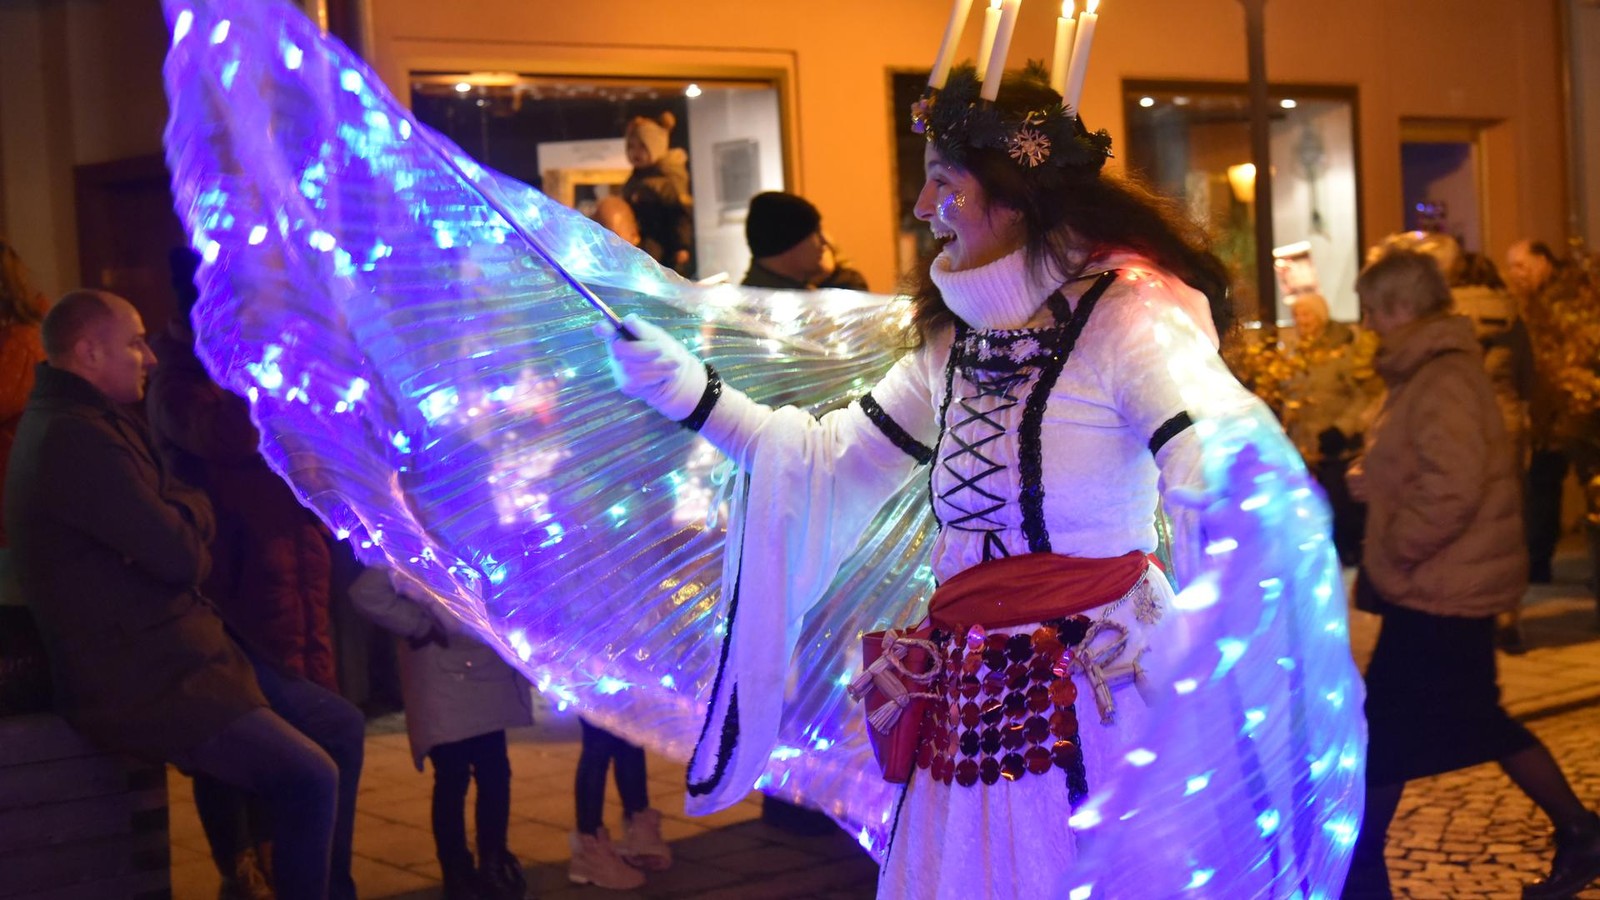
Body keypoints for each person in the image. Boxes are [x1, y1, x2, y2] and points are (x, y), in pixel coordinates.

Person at [597, 62, 1265, 897]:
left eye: (943, 185)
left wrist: (1223, 517)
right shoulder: (955, 342)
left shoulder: (1127, 318)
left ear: (1013, 198)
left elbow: (1208, 454)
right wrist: (683, 389)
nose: (922, 211)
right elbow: (828, 458)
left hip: (1101, 695)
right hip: (966, 695)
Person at [4, 289, 365, 900]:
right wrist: (188, 513)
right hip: (150, 672)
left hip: (192, 645)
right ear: (90, 352)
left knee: (341, 725)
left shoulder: (98, 422)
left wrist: (183, 511)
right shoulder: (75, 438)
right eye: (133, 342)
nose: (146, 356)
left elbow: (180, 512)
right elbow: (181, 553)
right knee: (311, 777)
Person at [1341, 250, 1600, 899]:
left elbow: (1453, 487)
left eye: (1373, 309)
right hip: (1439, 584)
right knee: (1444, 722)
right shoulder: (1425, 372)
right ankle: (1579, 831)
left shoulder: (1443, 376)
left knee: (1406, 728)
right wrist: (1376, 478)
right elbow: (1432, 466)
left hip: (1440, 585)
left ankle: (1362, 872)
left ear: (1401, 307)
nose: (1367, 322)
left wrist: (1395, 551)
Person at [149, 247, 341, 896]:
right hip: (237, 586)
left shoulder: (254, 356)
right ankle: (245, 868)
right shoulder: (178, 368)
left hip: (296, 569)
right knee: (246, 746)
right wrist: (269, 371)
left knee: (318, 738)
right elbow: (224, 433)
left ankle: (309, 873)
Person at [562, 195, 676, 892]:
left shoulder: (643, 314)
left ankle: (636, 819)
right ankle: (588, 840)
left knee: (629, 704)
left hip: (638, 536)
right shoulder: (578, 325)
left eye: (625, 232)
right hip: (593, 547)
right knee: (602, 715)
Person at [350, 566, 532, 900]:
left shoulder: (476, 535)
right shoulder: (414, 540)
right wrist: (419, 624)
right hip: (443, 680)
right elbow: (367, 591)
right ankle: (457, 871)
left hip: (485, 674)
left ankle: (491, 861)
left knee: (493, 772)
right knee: (453, 777)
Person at [1507, 239, 1600, 617]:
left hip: (1580, 413)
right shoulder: (1525, 303)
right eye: (1511, 267)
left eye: (1521, 264)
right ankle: (1540, 562)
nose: (1516, 273)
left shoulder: (1572, 297)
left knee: (1591, 490)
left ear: (1544, 261)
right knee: (1542, 485)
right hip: (1548, 413)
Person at [1280, 291, 1380, 565]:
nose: (1302, 320)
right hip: (1305, 448)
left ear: (1321, 315)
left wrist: (1342, 429)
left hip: (1338, 447)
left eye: (1307, 314)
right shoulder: (1293, 352)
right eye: (1298, 315)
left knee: (1342, 509)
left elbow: (1361, 396)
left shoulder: (1342, 349)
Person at [741, 191, 870, 291]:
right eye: (815, 233)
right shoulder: (758, 313)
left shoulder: (799, 293)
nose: (824, 242)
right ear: (789, 244)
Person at [621, 112, 694, 277]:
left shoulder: (666, 181)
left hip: (662, 246)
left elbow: (680, 215)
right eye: (631, 147)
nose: (635, 152)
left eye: (642, 146)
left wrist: (681, 246)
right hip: (641, 244)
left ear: (655, 147)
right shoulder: (634, 181)